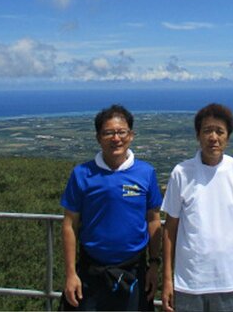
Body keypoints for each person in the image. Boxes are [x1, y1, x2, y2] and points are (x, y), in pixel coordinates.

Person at [60, 105, 163, 311]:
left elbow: (153, 220)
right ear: (98, 137)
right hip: (91, 272)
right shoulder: (82, 174)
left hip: (135, 271)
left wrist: (154, 265)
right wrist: (71, 273)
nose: (116, 138)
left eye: (121, 132)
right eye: (108, 133)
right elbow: (69, 225)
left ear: (131, 135)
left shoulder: (146, 172)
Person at [161, 103, 233, 312]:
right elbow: (169, 230)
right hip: (189, 283)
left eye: (219, 131)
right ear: (198, 135)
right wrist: (167, 279)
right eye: (207, 131)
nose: (213, 137)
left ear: (228, 137)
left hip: (231, 282)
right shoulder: (181, 173)